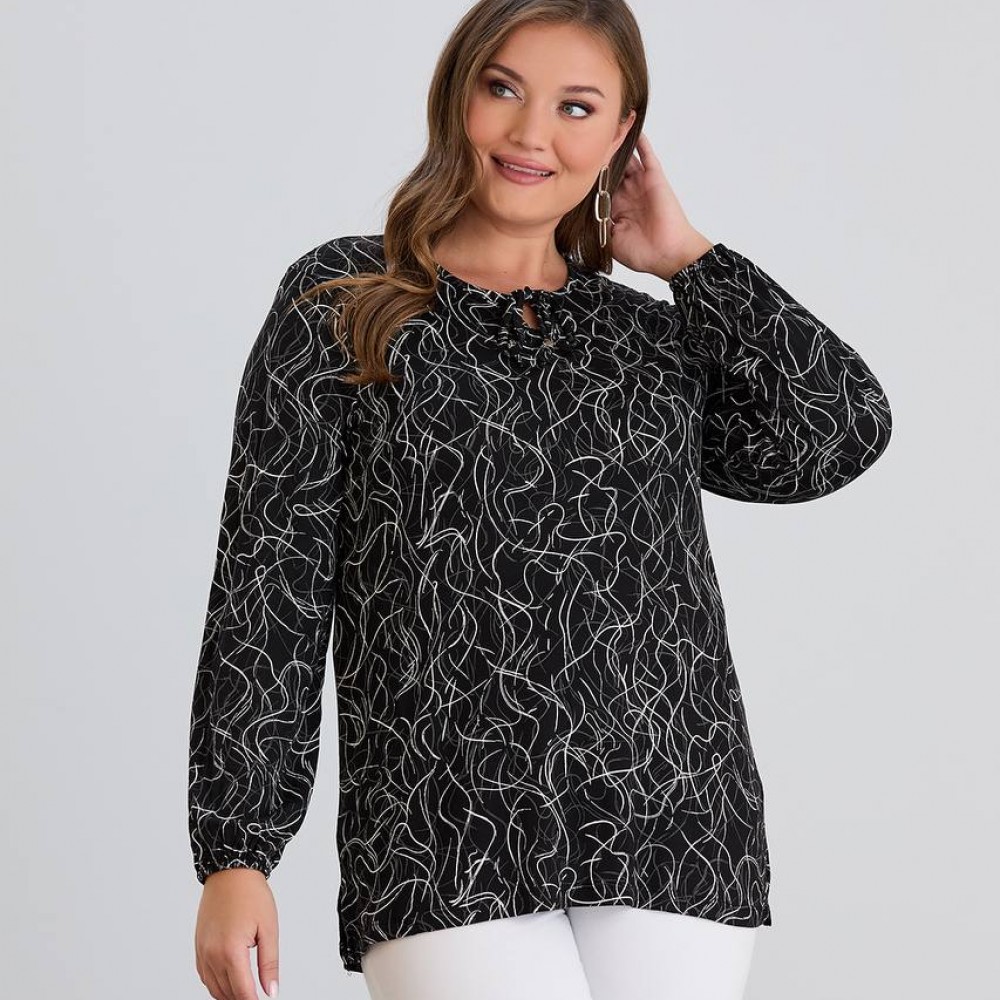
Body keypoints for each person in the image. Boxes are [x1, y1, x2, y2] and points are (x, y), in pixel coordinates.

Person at [188, 2, 893, 999]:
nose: (531, 134)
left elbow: (838, 429)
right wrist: (237, 851)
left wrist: (688, 259)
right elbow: (270, 581)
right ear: (457, 93)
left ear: (622, 136)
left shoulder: (647, 340)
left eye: (576, 107)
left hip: (674, 825)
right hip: (443, 832)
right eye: (504, 89)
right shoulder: (345, 302)